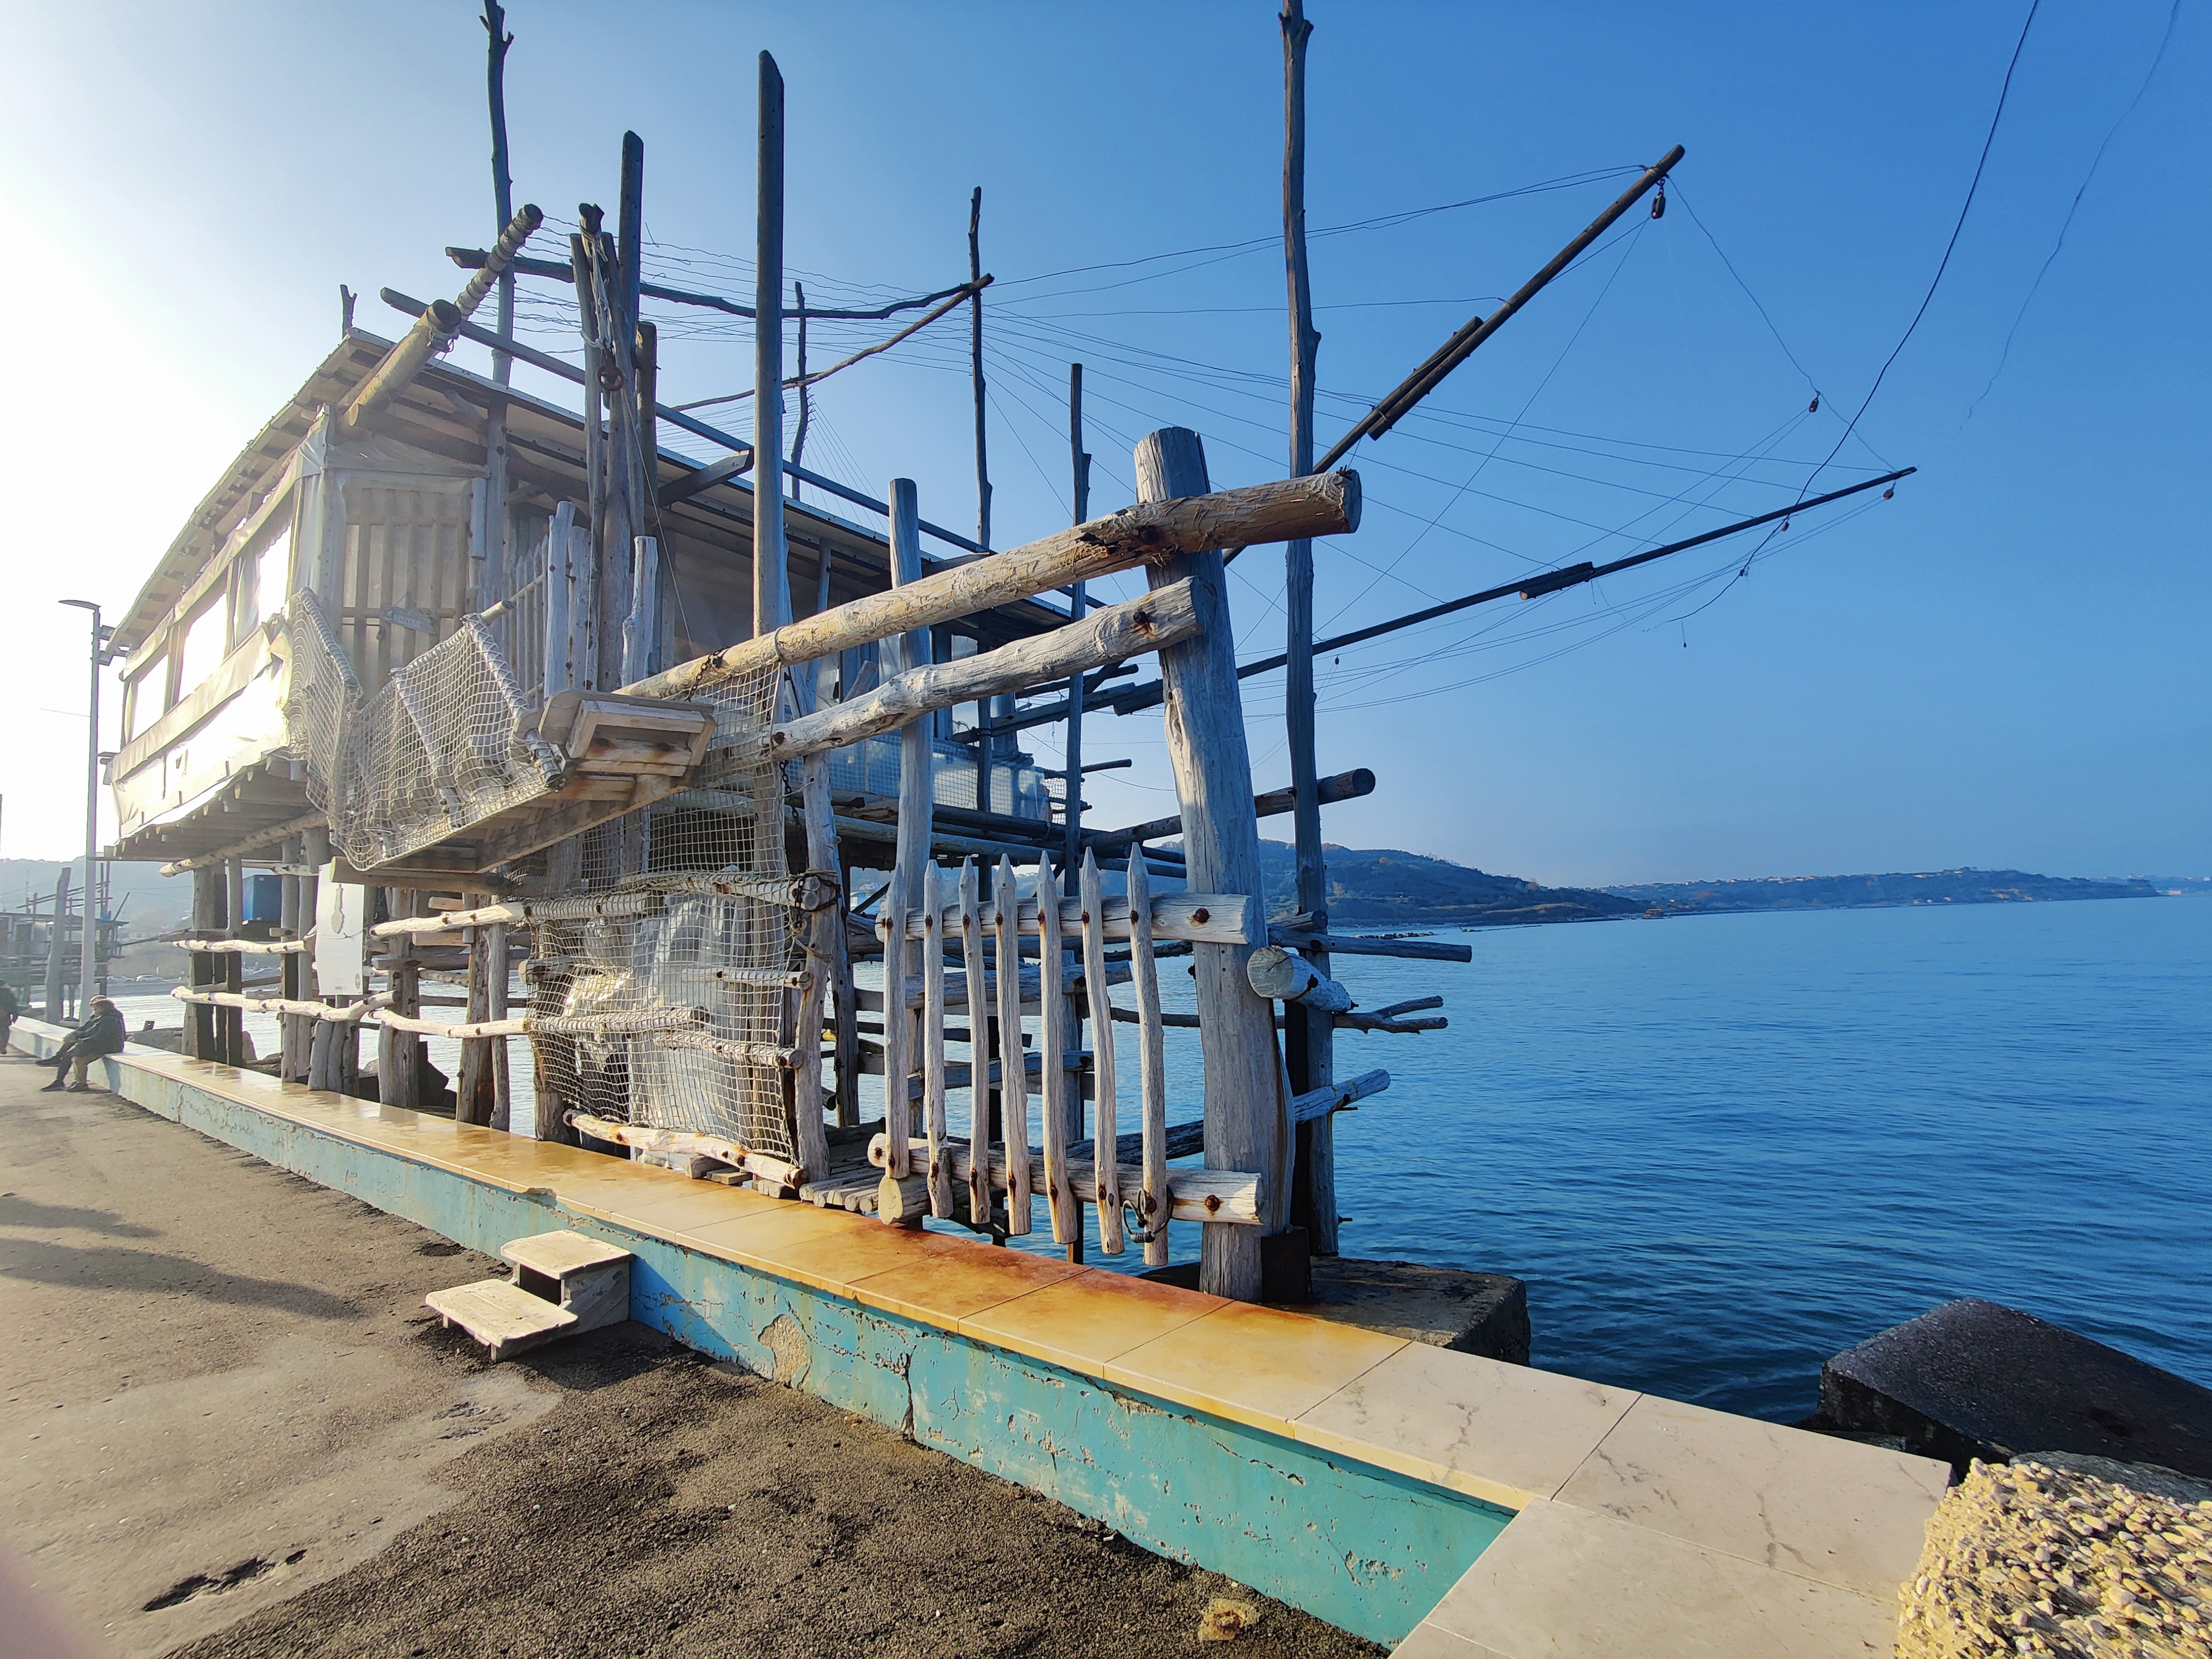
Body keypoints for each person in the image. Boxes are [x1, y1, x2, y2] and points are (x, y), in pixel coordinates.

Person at [43, 996, 125, 1093]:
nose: (93, 1010)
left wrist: (82, 1040)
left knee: (77, 1058)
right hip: (101, 1044)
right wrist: (75, 1035)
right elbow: (87, 1030)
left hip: (109, 1046)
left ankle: (78, 1083)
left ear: (103, 1008)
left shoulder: (110, 1019)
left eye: (95, 1008)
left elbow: (101, 1036)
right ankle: (61, 1070)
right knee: (71, 1052)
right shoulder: (101, 1017)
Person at [0, 980, 18, 1053]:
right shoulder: (8, 993)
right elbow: (13, 1005)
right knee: (5, 1031)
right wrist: (15, 1015)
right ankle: (3, 1047)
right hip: (5, 1015)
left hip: (4, 1014)